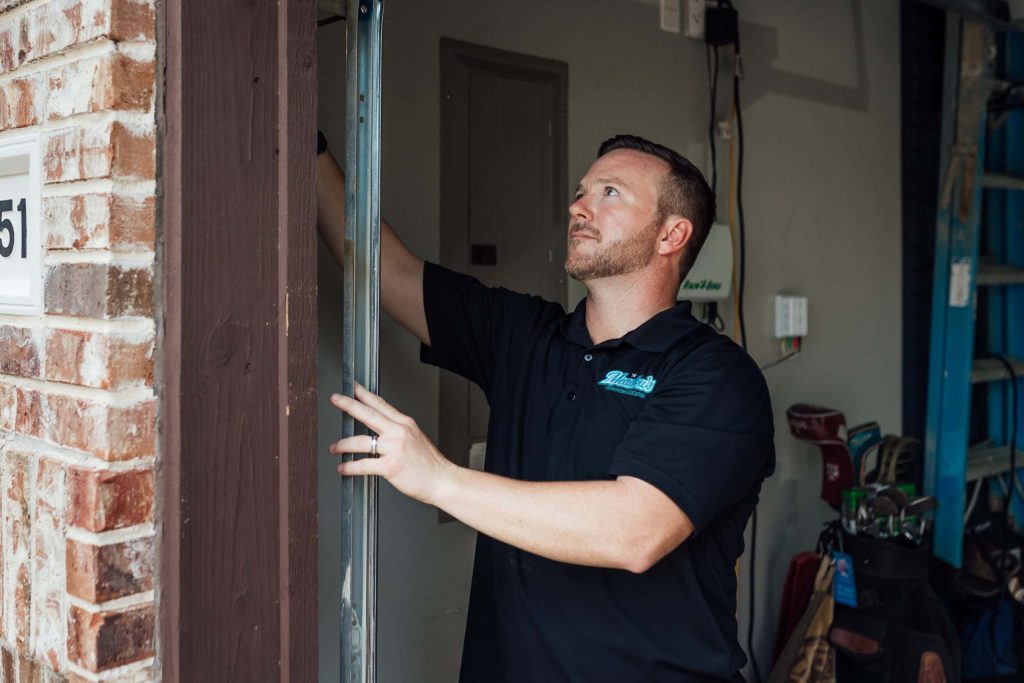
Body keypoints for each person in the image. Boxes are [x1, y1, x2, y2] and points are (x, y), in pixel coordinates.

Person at [317, 133, 775, 682]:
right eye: (581, 192)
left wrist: (437, 478)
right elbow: (387, 272)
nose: (578, 206)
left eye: (609, 192)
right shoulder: (523, 336)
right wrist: (308, 148)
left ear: (671, 234)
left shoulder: (716, 375)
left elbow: (635, 532)